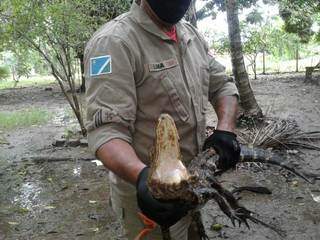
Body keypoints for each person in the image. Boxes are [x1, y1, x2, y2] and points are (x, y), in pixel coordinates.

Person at [84, 0, 240, 239]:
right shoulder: (114, 42)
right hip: (148, 198)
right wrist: (143, 178)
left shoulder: (190, 35)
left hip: (192, 180)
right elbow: (106, 132)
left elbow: (223, 86)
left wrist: (225, 130)